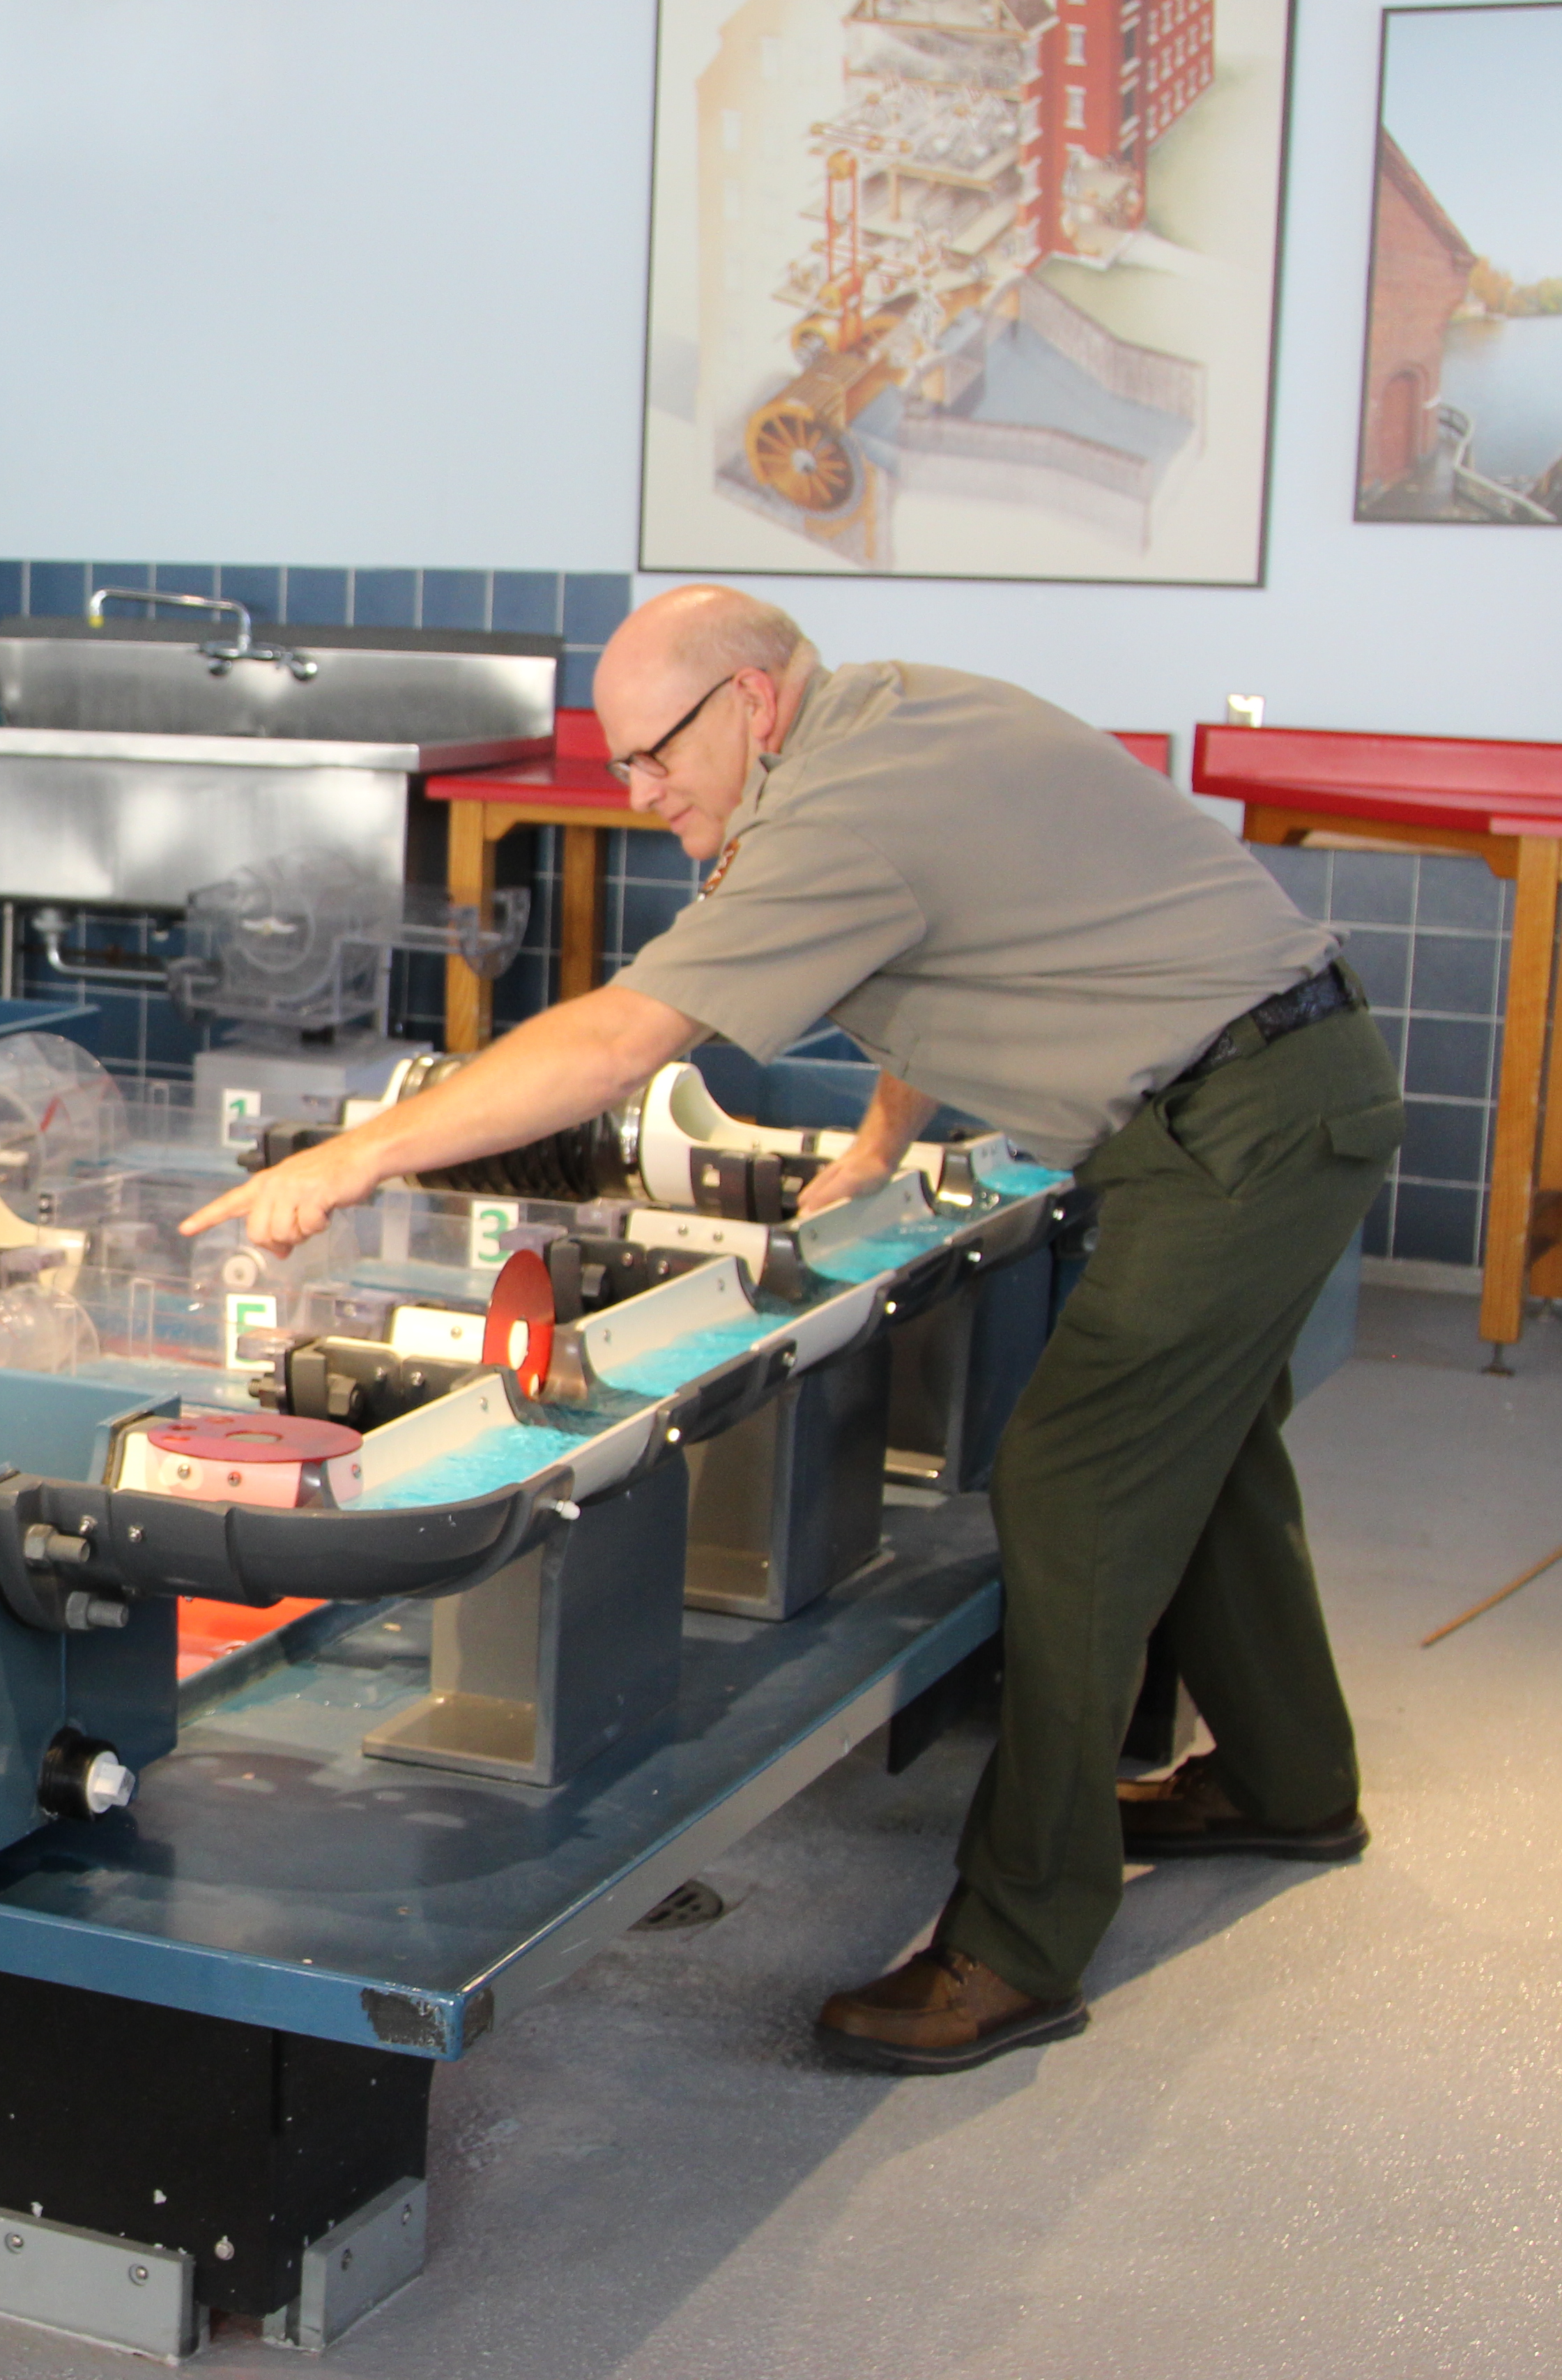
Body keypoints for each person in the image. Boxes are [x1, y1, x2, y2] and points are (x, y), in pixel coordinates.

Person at [186, 583, 1402, 2075]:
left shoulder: (839, 810)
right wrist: (883, 1147)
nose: (641, 794)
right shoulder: (886, 727)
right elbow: (971, 953)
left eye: (654, 757)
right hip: (1276, 1089)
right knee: (1204, 1442)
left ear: (751, 701)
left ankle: (1019, 1947)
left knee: (1077, 1485)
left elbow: (628, 1038)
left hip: (1238, 1124)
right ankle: (1288, 1780)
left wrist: (358, 1154)